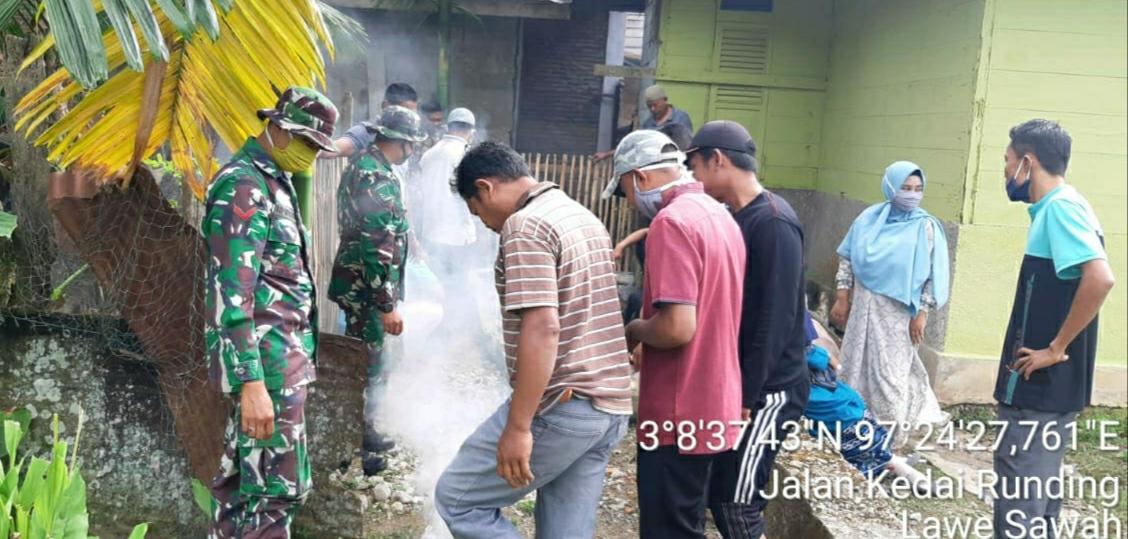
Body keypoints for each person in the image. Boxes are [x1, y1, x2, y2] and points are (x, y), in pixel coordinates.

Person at [434, 142, 632, 537]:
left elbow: (543, 327)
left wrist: (519, 427)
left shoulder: (525, 225)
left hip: (565, 405)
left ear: (485, 188)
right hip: (609, 408)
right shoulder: (578, 214)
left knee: (458, 498)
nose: (484, 224)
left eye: (476, 211)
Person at [203, 86, 338, 538]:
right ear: (276, 127)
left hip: (281, 365)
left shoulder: (274, 183)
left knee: (243, 490)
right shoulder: (243, 186)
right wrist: (252, 383)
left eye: (316, 148)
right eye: (305, 142)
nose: (309, 155)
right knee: (273, 495)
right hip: (266, 370)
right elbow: (232, 296)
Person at [604, 130, 746, 538]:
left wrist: (634, 330)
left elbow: (678, 326)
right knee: (685, 524)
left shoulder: (672, 222)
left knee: (668, 531)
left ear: (640, 177)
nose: (630, 201)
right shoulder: (718, 214)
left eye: (625, 190)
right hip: (714, 400)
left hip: (677, 412)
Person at [684, 121, 809, 538]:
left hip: (768, 391)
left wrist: (747, 396)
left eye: (695, 166)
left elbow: (774, 320)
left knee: (735, 502)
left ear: (717, 160)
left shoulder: (772, 222)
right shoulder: (735, 217)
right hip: (741, 386)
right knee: (718, 492)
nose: (694, 179)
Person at [991, 119, 1115, 538]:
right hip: (1046, 389)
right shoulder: (1061, 207)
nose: (1005, 172)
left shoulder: (1061, 208)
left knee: (1020, 499)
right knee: (1038, 496)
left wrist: (1055, 347)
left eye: (1007, 162)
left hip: (1040, 387)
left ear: (1029, 162)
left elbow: (1100, 278)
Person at [327, 105, 427, 476]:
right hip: (367, 290)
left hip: (358, 284)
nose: (412, 152)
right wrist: (386, 304)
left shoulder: (365, 166)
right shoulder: (377, 177)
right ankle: (352, 443)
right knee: (366, 367)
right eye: (410, 145)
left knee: (365, 362)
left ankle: (359, 433)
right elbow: (376, 245)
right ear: (397, 142)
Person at [830, 160, 951, 444]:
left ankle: (889, 443)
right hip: (863, 311)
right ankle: (853, 434)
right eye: (905, 188)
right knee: (854, 369)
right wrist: (842, 296)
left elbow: (932, 275)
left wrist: (922, 313)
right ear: (890, 187)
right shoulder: (868, 220)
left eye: (918, 189)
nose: (912, 194)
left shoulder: (926, 228)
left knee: (890, 379)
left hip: (898, 316)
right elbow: (847, 258)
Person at [804, 314, 931, 493]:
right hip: (793, 379)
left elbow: (806, 342)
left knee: (851, 398)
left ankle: (888, 459)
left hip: (809, 373)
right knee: (840, 409)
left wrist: (822, 356)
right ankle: (890, 464)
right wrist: (822, 357)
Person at [416, 108, 486, 339]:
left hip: (432, 231)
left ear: (449, 127)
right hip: (456, 233)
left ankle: (451, 327)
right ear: (471, 131)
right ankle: (473, 333)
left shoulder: (430, 154)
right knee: (460, 282)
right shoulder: (465, 156)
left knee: (448, 282)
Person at [328, 82, 419, 159]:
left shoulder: (407, 139)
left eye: (412, 115)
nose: (409, 120)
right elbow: (333, 149)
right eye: (404, 113)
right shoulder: (366, 132)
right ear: (385, 106)